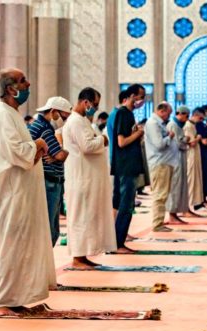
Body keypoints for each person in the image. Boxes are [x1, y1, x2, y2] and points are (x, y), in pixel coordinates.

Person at [0, 68, 55, 316]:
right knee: (11, 247)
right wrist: (38, 144)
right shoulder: (2, 115)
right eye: (24, 81)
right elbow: (17, 152)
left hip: (21, 193)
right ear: (12, 88)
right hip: (9, 194)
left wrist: (36, 147)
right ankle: (3, 300)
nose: (29, 83)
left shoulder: (11, 114)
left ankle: (17, 297)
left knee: (21, 247)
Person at [63, 87, 116, 268]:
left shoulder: (82, 120)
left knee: (87, 218)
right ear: (85, 102)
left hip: (87, 179)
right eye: (94, 104)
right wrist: (103, 139)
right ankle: (77, 258)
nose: (95, 108)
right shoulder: (76, 121)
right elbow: (87, 146)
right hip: (80, 179)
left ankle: (83, 256)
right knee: (80, 218)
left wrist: (99, 138)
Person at [28, 96, 71, 246]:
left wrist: (59, 153)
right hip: (49, 181)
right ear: (54, 112)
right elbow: (60, 155)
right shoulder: (45, 129)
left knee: (49, 228)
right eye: (64, 117)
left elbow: (56, 154)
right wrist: (64, 152)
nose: (65, 121)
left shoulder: (39, 125)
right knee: (49, 230)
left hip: (47, 180)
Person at [110, 84, 146, 254]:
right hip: (126, 167)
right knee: (126, 204)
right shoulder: (124, 114)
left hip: (124, 166)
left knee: (122, 202)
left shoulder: (126, 114)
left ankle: (116, 241)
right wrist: (138, 134)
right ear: (132, 96)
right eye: (140, 96)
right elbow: (121, 142)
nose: (142, 100)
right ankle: (118, 243)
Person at [144, 102, 175, 232]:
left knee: (162, 194)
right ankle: (157, 224)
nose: (169, 116)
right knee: (160, 194)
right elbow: (159, 145)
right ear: (162, 111)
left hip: (164, 163)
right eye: (168, 113)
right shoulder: (153, 124)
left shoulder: (159, 124)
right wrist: (169, 137)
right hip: (159, 163)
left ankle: (159, 222)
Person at [165, 106, 190, 224]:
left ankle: (176, 212)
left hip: (180, 157)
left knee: (180, 185)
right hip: (175, 158)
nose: (187, 118)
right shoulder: (173, 125)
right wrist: (186, 139)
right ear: (180, 114)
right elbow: (177, 143)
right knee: (175, 185)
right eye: (186, 115)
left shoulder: (179, 126)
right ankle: (172, 214)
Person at [185, 109, 204, 210]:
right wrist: (198, 138)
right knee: (191, 180)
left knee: (196, 180)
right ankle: (189, 204)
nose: (201, 120)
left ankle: (196, 203)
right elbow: (191, 143)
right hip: (190, 156)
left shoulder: (193, 125)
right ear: (195, 115)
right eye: (200, 118)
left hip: (195, 155)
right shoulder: (188, 126)